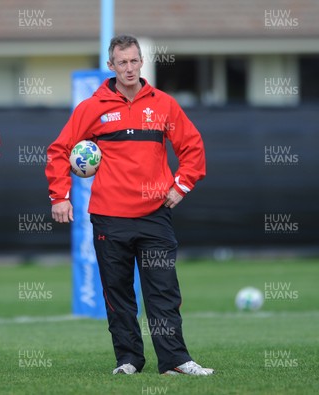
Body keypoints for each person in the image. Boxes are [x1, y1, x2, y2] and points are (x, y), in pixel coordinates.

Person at [45, 35, 213, 376]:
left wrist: (181, 185)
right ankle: (129, 360)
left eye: (134, 61)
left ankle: (175, 361)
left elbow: (193, 148)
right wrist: (60, 196)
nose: (129, 68)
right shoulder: (92, 108)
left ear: (141, 63)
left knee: (164, 291)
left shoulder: (164, 104)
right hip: (109, 218)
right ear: (111, 66)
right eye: (122, 62)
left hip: (155, 215)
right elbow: (59, 150)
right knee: (118, 295)